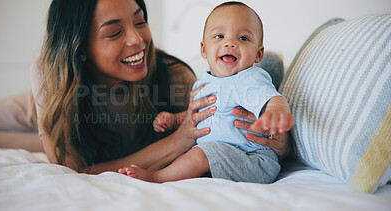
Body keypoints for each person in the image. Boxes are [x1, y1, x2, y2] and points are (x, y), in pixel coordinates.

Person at [0, 0, 290, 174]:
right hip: (65, 95)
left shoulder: (174, 79)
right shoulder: (50, 72)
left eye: (140, 22)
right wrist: (176, 142)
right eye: (114, 33)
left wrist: (280, 145)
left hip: (94, 132)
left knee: (0, 140)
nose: (137, 41)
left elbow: (226, 131)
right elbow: (72, 169)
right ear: (79, 48)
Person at [119, 1, 294, 183]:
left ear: (258, 54)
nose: (229, 43)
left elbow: (273, 99)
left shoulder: (249, 78)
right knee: (195, 154)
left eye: (243, 38)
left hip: (253, 158)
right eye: (219, 36)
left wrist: (276, 113)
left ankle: (156, 177)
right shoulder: (206, 82)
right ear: (204, 49)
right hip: (223, 154)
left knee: (199, 155)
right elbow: (203, 115)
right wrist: (175, 119)